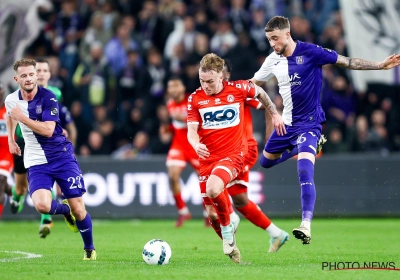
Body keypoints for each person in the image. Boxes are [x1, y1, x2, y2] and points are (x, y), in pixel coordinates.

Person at [253, 16, 400, 245]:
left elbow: (348, 62)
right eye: (269, 39)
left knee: (304, 171)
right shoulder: (272, 60)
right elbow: (252, 86)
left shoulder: (311, 52)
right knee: (266, 162)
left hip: (310, 124)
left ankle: (306, 224)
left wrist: (379, 65)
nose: (272, 43)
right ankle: (303, 148)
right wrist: (271, 110)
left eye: (275, 38)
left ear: (287, 34)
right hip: (287, 125)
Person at [187, 53, 285, 263]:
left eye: (210, 81)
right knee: (214, 213)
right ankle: (235, 247)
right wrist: (196, 145)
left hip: (235, 154)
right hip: (207, 160)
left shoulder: (238, 90)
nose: (205, 86)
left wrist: (275, 114)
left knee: (216, 189)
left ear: (222, 76)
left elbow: (261, 94)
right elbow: (192, 131)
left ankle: (230, 228)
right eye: (202, 81)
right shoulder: (195, 98)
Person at [5, 58, 96, 260]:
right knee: (42, 206)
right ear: (16, 78)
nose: (28, 78)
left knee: (80, 209)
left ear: (37, 75)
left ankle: (89, 249)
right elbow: (10, 115)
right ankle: (64, 211)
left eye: (31, 74)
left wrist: (23, 118)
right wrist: (11, 139)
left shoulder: (49, 98)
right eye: (24, 75)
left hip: (62, 157)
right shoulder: (11, 100)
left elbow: (48, 130)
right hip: (37, 160)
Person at [221, 61, 289, 253]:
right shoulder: (208, 95)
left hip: (242, 150)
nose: (222, 78)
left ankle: (230, 216)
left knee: (215, 181)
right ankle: (276, 234)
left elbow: (268, 106)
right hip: (226, 151)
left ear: (226, 75)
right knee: (241, 200)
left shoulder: (238, 91)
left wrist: (270, 140)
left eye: (224, 74)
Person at [9, 58, 78, 239]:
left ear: (46, 74)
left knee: (46, 181)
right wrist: (11, 138)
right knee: (21, 186)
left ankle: (46, 219)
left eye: (43, 71)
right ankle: (18, 196)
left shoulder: (53, 93)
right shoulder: (17, 96)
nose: (39, 74)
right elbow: (11, 114)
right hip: (23, 142)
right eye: (35, 70)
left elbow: (55, 115)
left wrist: (59, 130)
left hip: (46, 145)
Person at [0, 82, 14, 218]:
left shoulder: (10, 110)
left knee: (0, 180)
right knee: (3, 185)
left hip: (6, 153)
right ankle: (14, 192)